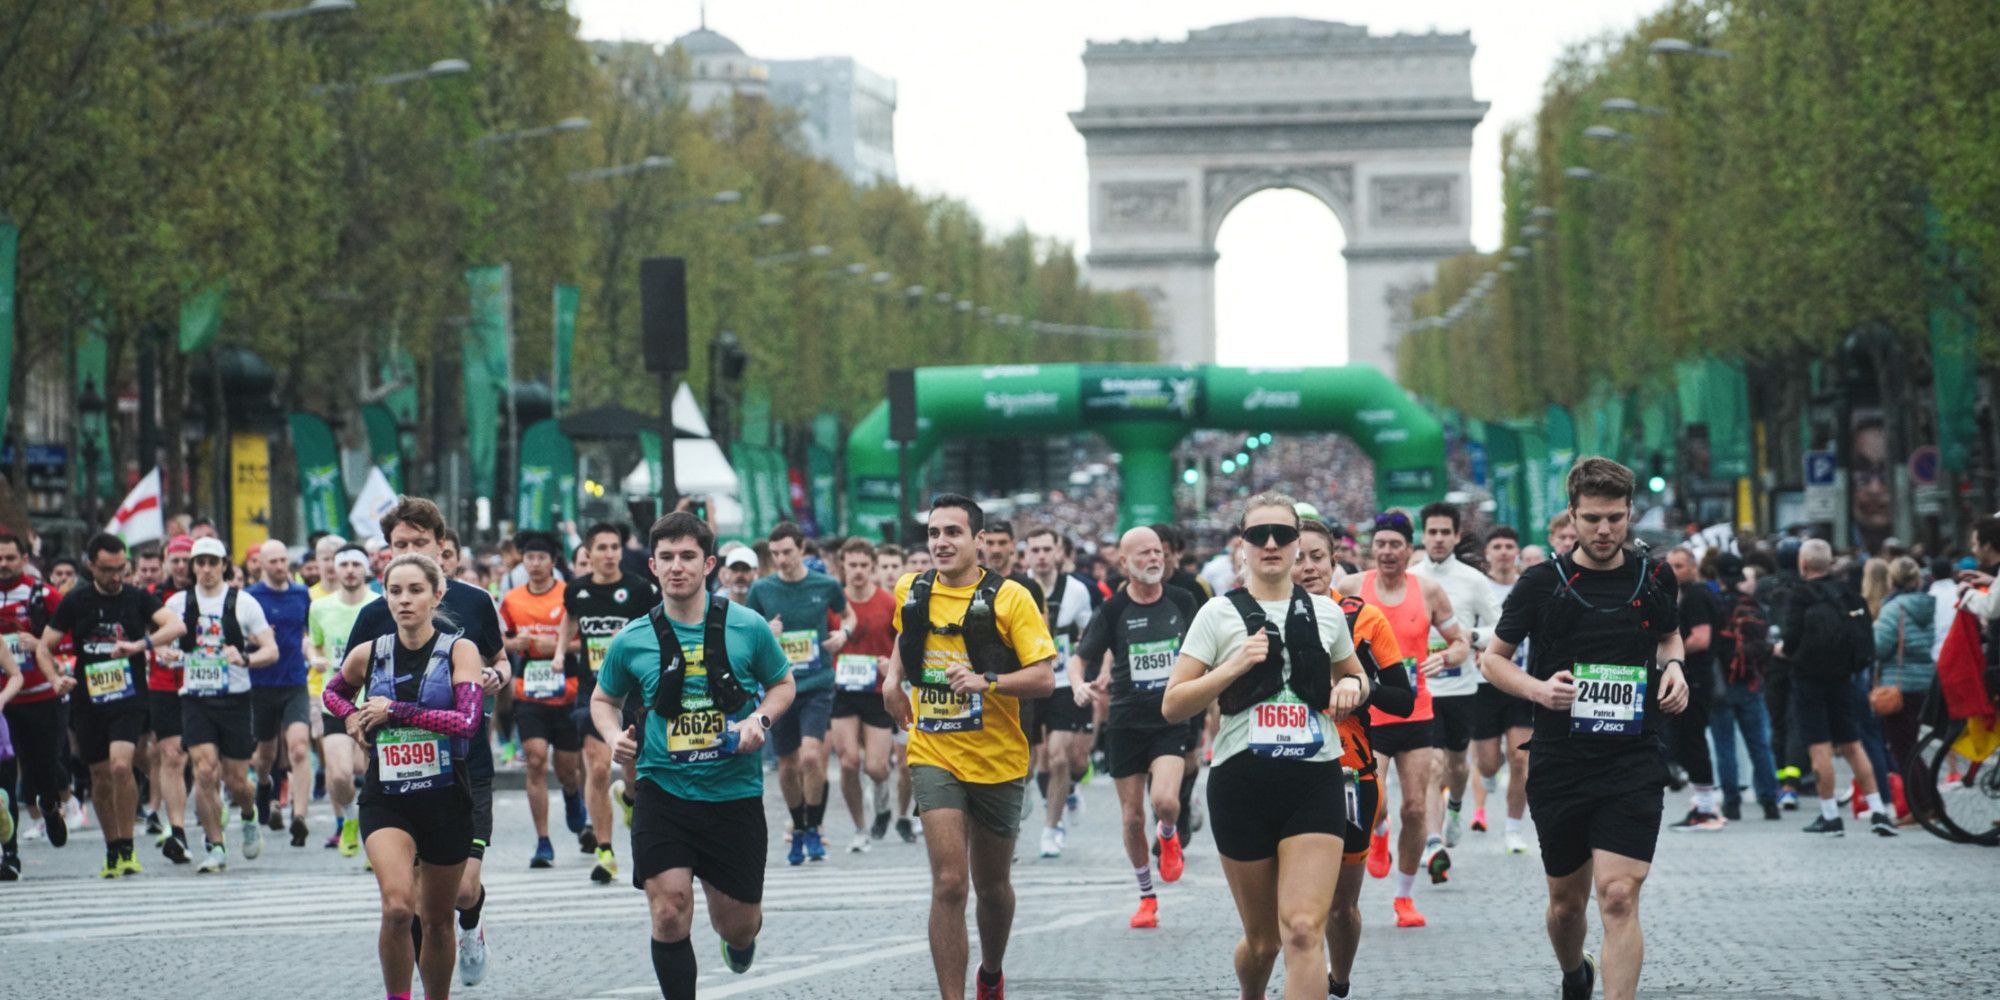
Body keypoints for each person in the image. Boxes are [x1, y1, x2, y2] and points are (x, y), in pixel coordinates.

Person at [1480, 457, 1691, 1000]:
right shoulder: (1541, 583)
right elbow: (1493, 660)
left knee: (1618, 895)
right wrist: (1538, 690)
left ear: (1629, 514)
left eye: (1615, 518)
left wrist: (1674, 668)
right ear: (1571, 515)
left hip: (1632, 757)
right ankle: (1575, 973)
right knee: (1566, 905)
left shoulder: (1654, 576)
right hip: (1560, 760)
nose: (1604, 530)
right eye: (1592, 518)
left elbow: (1669, 636)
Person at [1164, 492, 1369, 1000]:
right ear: (1243, 544)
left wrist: (1351, 687)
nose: (1271, 543)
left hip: (1314, 779)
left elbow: (1357, 677)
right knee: (1264, 943)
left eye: (1283, 534)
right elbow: (1173, 704)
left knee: (1301, 930)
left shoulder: (1326, 613)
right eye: (1259, 535)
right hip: (1242, 785)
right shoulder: (1216, 614)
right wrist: (1233, 666)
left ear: (1298, 543)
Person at [589, 511, 795, 999]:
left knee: (738, 925)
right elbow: (603, 699)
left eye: (687, 556)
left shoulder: (748, 627)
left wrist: (758, 722)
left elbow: (782, 684)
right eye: (666, 557)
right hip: (662, 791)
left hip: (733, 794)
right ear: (653, 566)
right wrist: (613, 735)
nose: (676, 566)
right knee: (668, 910)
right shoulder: (632, 638)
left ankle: (740, 940)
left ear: (708, 565)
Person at [881, 494, 1057, 1000]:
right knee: (950, 882)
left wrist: (988, 682)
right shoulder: (911, 589)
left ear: (978, 541)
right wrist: (892, 681)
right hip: (933, 751)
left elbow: (1044, 678)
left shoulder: (1011, 598)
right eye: (934, 533)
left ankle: (991, 972)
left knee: (993, 887)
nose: (941, 542)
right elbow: (905, 637)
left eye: (953, 532)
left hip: (999, 759)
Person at [342, 498, 509, 987]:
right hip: (395, 776)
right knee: (405, 902)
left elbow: (501, 660)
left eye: (420, 542)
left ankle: (471, 924)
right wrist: (353, 719)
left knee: (461, 892)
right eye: (399, 544)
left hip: (464, 768)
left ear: (441, 545)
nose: (409, 551)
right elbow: (348, 686)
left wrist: (493, 677)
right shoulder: (375, 615)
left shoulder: (474, 602)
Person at [325, 553, 484, 1000]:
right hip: (387, 799)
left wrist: (397, 711)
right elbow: (332, 692)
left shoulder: (460, 651)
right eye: (395, 591)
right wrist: (351, 716)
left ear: (437, 595)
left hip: (446, 799)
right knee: (397, 908)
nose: (404, 600)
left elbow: (467, 721)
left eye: (415, 590)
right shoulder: (370, 653)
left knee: (437, 921)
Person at [1293, 515, 1413, 1000]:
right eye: (1297, 558)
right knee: (1298, 911)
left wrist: (1359, 686)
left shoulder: (1364, 619)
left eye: (1316, 557)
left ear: (1334, 560)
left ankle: (1338, 982)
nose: (1307, 567)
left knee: (1341, 908)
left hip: (1350, 774)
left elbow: (1403, 700)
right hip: (1284, 770)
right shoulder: (1257, 619)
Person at [1336, 510, 1466, 928]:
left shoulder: (1428, 591)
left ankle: (1404, 897)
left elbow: (1460, 641)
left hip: (1415, 712)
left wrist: (1448, 657)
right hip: (1367, 714)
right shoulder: (1351, 588)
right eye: (1381, 544)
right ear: (1371, 549)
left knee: (1414, 807)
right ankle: (1378, 834)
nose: (1388, 551)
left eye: (1396, 545)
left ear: (1410, 550)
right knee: (1373, 803)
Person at [1070, 525, 1198, 928]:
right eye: (1144, 553)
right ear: (1124, 563)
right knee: (1131, 818)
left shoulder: (1182, 601)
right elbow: (1079, 658)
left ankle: (1169, 833)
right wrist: (1078, 684)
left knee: (1165, 801)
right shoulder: (1113, 610)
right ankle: (1146, 897)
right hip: (1125, 722)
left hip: (1170, 719)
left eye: (1157, 551)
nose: (1154, 558)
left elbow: (1207, 647)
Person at [39, 533, 187, 877]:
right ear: (91, 566)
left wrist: (140, 645)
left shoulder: (137, 598)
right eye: (107, 569)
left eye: (121, 568)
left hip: (128, 695)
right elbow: (45, 647)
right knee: (100, 776)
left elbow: (176, 625)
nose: (116, 576)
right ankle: (113, 848)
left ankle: (128, 847)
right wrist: (54, 679)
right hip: (88, 699)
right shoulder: (76, 601)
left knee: (121, 766)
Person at [157, 537, 278, 873]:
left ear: (224, 565)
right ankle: (216, 845)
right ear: (192, 566)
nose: (207, 569)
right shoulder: (177, 603)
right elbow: (160, 643)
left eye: (213, 562)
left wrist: (245, 658)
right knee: (205, 770)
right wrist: (165, 655)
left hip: (235, 698)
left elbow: (271, 650)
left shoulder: (244, 603)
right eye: (200, 563)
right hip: (195, 698)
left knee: (237, 780)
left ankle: (249, 815)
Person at [556, 522, 658, 884]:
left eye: (615, 547)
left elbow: (658, 628)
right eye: (602, 548)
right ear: (589, 552)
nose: (610, 554)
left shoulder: (640, 589)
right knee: (598, 768)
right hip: (593, 690)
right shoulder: (577, 589)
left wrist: (628, 638)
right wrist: (559, 653)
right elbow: (569, 620)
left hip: (634, 689)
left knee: (632, 765)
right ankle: (605, 852)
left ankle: (629, 798)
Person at [745, 522, 852, 865]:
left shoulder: (825, 585)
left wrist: (843, 635)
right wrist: (766, 631)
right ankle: (799, 826)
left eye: (788, 552)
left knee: (810, 757)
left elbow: (848, 616)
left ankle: (814, 827)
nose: (781, 559)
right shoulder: (762, 589)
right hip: (779, 687)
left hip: (816, 683)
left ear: (802, 549)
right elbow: (746, 635)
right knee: (788, 765)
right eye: (775, 553)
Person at [1777, 538, 1896, 837]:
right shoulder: (1848, 594)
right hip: (1844, 678)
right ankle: (1878, 811)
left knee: (1819, 747)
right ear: (1829, 563)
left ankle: (1830, 815)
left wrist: (1782, 650)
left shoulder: (1800, 595)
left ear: (1803, 563)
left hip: (1808, 680)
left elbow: (1790, 640)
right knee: (1852, 744)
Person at [1407, 502, 1501, 859]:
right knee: (1432, 766)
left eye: (1445, 532)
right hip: (1423, 689)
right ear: (1423, 535)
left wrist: (1470, 638)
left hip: (1462, 687)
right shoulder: (1410, 577)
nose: (1438, 539)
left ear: (1457, 536)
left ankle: (1456, 807)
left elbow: (1500, 627)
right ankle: (1433, 842)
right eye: (1432, 532)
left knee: (1457, 765)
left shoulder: (1473, 580)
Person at [499, 533, 586, 870]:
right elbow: (499, 641)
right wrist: (514, 644)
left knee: (566, 768)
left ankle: (572, 794)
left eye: (541, 558)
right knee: (535, 760)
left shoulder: (569, 594)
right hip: (528, 690)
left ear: (552, 562)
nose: (535, 564)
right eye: (529, 559)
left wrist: (560, 648)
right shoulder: (512, 599)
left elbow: (587, 640)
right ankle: (543, 841)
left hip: (567, 689)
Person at [1023, 527, 1094, 858]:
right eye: (1034, 550)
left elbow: (1089, 632)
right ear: (1026, 554)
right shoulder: (1017, 589)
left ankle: (1052, 828)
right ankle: (1059, 797)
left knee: (1062, 757)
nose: (1041, 556)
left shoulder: (1076, 590)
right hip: (1029, 682)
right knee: (1037, 764)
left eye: (1046, 549)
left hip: (1064, 681)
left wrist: (1089, 668)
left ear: (1058, 552)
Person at [0, 532, 67, 879]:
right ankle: (10, 855)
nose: (3, 564)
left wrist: (39, 642)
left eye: (10, 558)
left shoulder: (43, 595)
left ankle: (51, 805)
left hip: (41, 696)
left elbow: (69, 640)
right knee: (5, 782)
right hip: (3, 705)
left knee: (44, 770)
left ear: (24, 559)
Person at [829, 537, 898, 852]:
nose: (857, 571)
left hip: (876, 691)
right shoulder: (833, 603)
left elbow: (903, 643)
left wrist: (891, 664)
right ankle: (860, 828)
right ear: (843, 566)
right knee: (847, 763)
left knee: (876, 767)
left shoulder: (888, 603)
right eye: (852, 565)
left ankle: (882, 801)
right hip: (842, 690)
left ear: (873, 567)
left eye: (863, 565)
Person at [309, 544, 379, 855]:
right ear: (334, 569)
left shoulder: (379, 605)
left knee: (371, 774)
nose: (350, 570)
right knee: (338, 775)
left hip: (373, 703)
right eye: (344, 564)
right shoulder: (319, 608)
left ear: (366, 569)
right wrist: (315, 658)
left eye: (356, 564)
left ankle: (378, 842)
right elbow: (315, 643)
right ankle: (351, 818)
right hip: (336, 702)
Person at [246, 539, 316, 846]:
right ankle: (264, 783)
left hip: (294, 681)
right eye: (273, 561)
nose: (279, 566)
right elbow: (237, 636)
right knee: (266, 754)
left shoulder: (301, 594)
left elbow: (308, 633)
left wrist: (312, 654)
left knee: (299, 747)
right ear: (261, 564)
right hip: (260, 684)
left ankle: (299, 817)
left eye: (283, 560)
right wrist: (254, 640)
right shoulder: (250, 597)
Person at [1473, 526, 1535, 853]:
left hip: (1521, 681)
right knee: (1488, 763)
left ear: (1517, 552)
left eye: (1509, 546)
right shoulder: (1477, 587)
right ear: (1487, 554)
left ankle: (1513, 829)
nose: (1503, 552)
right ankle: (1487, 774)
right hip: (1484, 683)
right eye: (1496, 546)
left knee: (1520, 758)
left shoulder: (1530, 586)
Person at [1706, 555, 1781, 821]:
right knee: (1759, 744)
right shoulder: (1752, 605)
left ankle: (1732, 802)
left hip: (1720, 684)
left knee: (1724, 746)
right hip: (1750, 683)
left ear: (1718, 576)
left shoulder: (1713, 605)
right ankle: (1769, 801)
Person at [1664, 548, 1725, 831]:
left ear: (1693, 567)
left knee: (1693, 740)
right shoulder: (1690, 594)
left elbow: (1701, 638)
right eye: (1670, 566)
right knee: (1689, 740)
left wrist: (1670, 656)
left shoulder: (1697, 595)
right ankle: (1702, 804)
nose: (1673, 571)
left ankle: (1705, 808)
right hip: (1695, 676)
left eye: (1679, 566)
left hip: (1696, 678)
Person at [1872, 556, 1936, 773]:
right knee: (1911, 745)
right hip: (1924, 681)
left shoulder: (1893, 608)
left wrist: (1873, 629)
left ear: (1892, 580)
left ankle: (1922, 794)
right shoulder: (1927, 606)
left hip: (1898, 685)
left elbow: (1880, 647)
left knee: (1903, 750)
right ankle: (1924, 792)